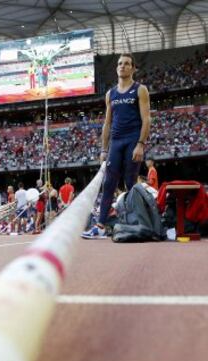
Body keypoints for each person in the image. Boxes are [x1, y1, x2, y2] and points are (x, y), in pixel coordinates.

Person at [82, 53, 151, 239]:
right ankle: (101, 226)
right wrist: (104, 149)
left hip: (132, 141)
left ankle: (137, 222)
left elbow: (146, 119)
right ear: (116, 68)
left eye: (127, 64)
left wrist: (140, 144)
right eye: (120, 63)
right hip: (116, 142)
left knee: (130, 183)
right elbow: (107, 123)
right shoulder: (110, 94)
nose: (123, 66)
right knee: (109, 184)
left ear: (133, 68)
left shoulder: (140, 89)